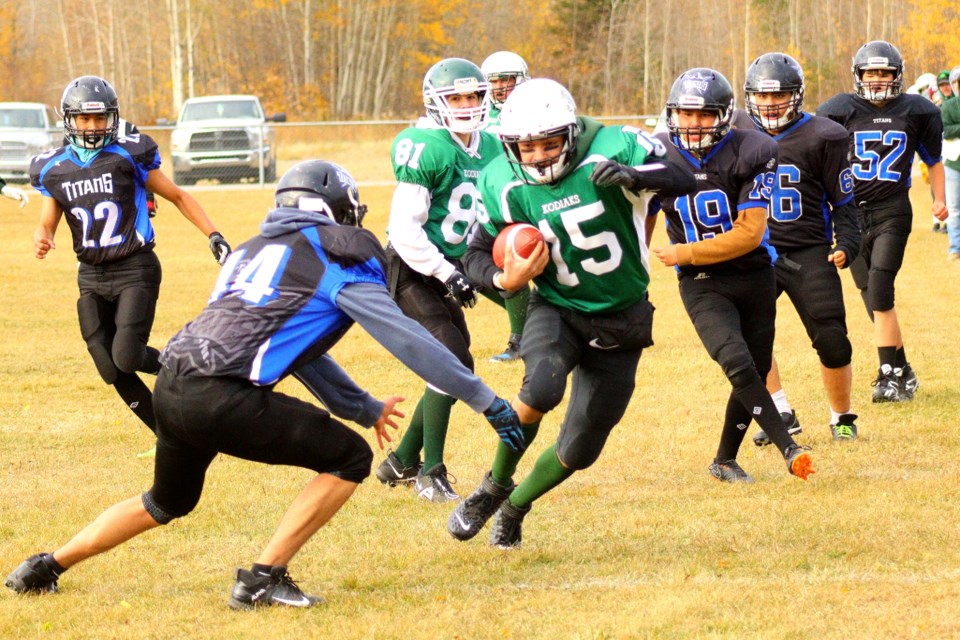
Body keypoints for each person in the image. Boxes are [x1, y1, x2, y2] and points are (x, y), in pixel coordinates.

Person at [5, 160, 525, 609]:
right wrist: (485, 399)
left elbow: (297, 353)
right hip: (220, 394)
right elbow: (407, 339)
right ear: (336, 209)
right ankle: (262, 579)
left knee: (165, 501)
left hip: (174, 381)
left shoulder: (251, 250)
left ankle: (47, 565)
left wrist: (362, 406)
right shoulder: (336, 256)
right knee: (348, 460)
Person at [448, 78, 697, 548]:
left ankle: (516, 505)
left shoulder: (613, 145)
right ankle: (494, 484)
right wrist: (505, 281)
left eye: (548, 143)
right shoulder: (502, 180)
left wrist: (638, 178)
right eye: (528, 146)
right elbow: (476, 252)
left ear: (570, 133)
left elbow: (684, 175)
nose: (539, 155)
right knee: (540, 387)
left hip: (623, 314)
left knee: (582, 446)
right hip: (557, 305)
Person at [30, 75, 230, 438]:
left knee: (127, 355)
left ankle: (199, 367)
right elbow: (48, 220)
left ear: (113, 117)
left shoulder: (128, 153)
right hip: (90, 275)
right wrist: (43, 235)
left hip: (134, 268)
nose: (92, 127)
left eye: (100, 118)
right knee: (109, 368)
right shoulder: (53, 167)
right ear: (69, 119)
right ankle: (170, 437)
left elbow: (178, 196)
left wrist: (213, 234)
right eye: (84, 119)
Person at [650, 68, 814, 484]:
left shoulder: (755, 148)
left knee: (756, 367)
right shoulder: (657, 153)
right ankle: (789, 448)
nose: (693, 124)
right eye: (685, 114)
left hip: (753, 272)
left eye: (704, 115)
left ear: (725, 115)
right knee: (737, 362)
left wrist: (683, 251)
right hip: (702, 282)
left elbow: (749, 233)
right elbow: (639, 210)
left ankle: (724, 460)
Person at [377, 58, 503, 503]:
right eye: (456, 97)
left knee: (459, 366)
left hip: (451, 266)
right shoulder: (427, 146)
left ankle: (401, 461)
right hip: (413, 268)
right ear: (437, 103)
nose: (467, 106)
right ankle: (431, 473)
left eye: (473, 96)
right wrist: (449, 273)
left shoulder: (492, 146)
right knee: (449, 357)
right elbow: (405, 231)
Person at [740, 53, 862, 443]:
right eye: (762, 96)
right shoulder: (737, 135)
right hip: (754, 251)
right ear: (749, 97)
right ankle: (779, 411)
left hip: (808, 249)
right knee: (751, 341)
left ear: (798, 95)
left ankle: (841, 416)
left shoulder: (824, 135)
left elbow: (843, 201)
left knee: (833, 338)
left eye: (781, 95)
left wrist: (849, 242)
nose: (771, 104)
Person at [817, 41, 947, 402]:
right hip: (851, 215)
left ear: (897, 76)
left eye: (885, 72)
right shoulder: (837, 111)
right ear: (858, 75)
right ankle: (903, 367)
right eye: (871, 72)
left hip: (892, 210)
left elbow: (933, 159)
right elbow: (820, 163)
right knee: (869, 294)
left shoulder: (917, 110)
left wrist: (939, 199)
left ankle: (887, 375)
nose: (877, 79)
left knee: (880, 288)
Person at [479, 50, 533, 363]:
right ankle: (526, 330)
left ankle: (527, 334)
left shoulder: (536, 106)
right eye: (493, 81)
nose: (499, 87)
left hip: (533, 194)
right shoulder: (480, 116)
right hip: (495, 199)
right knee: (493, 267)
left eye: (505, 79)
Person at [942, 66, 960, 261]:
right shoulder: (948, 106)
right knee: (954, 208)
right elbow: (945, 131)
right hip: (954, 162)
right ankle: (955, 247)